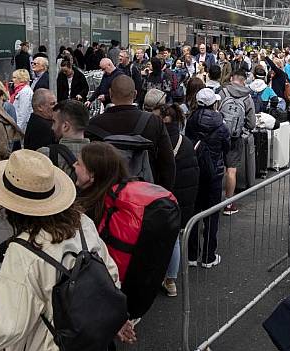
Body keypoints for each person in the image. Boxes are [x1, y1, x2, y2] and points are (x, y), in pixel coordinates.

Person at [0, 149, 135, 351]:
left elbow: (6, 327)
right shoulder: (82, 222)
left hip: (49, 348)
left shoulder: (24, 251)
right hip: (88, 341)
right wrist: (111, 319)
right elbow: (109, 274)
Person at [87, 75, 175, 191]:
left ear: (110, 94)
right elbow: (167, 163)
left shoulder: (93, 125)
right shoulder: (153, 122)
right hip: (144, 195)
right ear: (135, 94)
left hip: (106, 196)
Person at [185, 88, 230, 268]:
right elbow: (226, 146)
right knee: (212, 214)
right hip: (214, 171)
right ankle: (208, 256)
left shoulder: (191, 121)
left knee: (194, 211)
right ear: (214, 103)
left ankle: (192, 254)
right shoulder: (221, 124)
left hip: (195, 169)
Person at [159, 104, 199, 296]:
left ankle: (161, 276)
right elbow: (194, 175)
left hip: (161, 197)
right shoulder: (187, 143)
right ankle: (171, 280)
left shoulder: (156, 141)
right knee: (175, 239)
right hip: (182, 199)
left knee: (160, 240)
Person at [218, 69, 257, 215]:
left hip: (219, 135)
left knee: (216, 167)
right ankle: (228, 204)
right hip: (235, 137)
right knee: (231, 170)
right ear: (244, 80)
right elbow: (252, 123)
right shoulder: (247, 98)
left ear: (232, 77)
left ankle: (212, 201)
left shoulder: (223, 92)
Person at [37, 99, 90, 178]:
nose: (52, 127)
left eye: (54, 122)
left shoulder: (45, 155)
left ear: (65, 126)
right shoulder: (101, 156)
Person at [9, 69, 34, 134]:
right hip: (16, 123)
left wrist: (18, 128)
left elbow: (23, 112)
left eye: (14, 77)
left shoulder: (25, 91)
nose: (12, 80)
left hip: (22, 126)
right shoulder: (18, 91)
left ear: (21, 79)